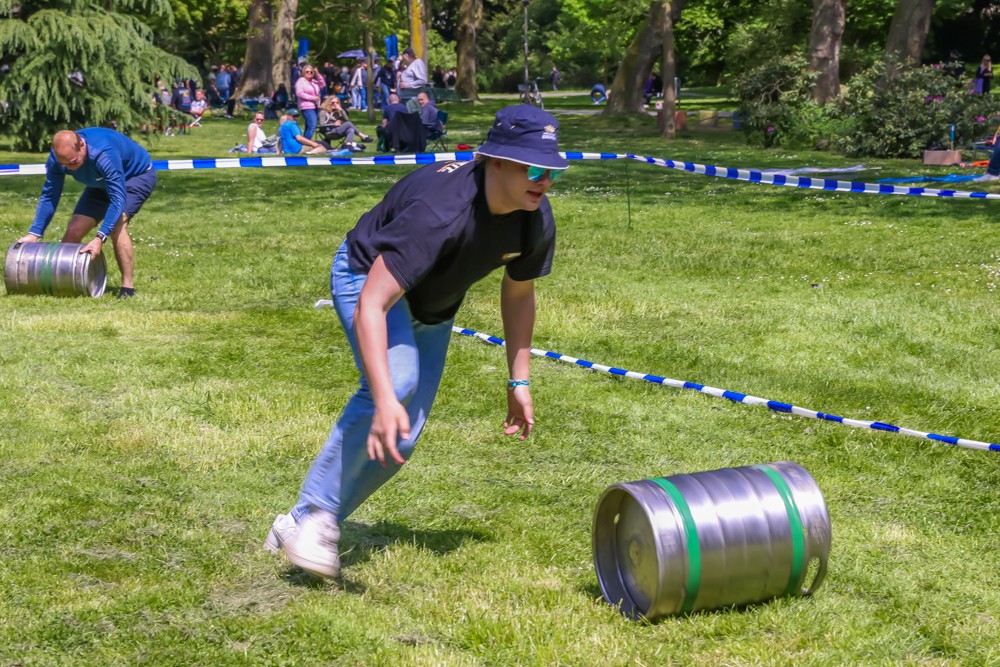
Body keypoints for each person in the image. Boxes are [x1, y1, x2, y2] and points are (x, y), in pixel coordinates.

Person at [263, 105, 569, 579]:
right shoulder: (441, 211)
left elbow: (520, 292)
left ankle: (303, 522)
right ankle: (317, 517)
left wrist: (519, 379)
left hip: (432, 305)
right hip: (366, 278)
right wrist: (384, 397)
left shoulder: (534, 216)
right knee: (396, 387)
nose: (543, 180)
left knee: (402, 436)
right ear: (497, 161)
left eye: (550, 170)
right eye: (533, 167)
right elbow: (371, 305)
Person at [16, 128, 158, 299]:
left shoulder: (104, 153)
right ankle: (64, 284)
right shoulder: (58, 159)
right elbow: (49, 195)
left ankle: (127, 288)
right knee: (74, 230)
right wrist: (34, 233)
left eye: (73, 163)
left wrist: (99, 237)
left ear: (82, 145)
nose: (70, 169)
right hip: (99, 184)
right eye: (65, 165)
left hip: (135, 177)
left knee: (117, 226)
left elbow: (117, 200)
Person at [295, 63, 322, 139]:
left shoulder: (314, 81)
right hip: (306, 107)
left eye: (311, 72)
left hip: (316, 106)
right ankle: (306, 143)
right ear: (303, 73)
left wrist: (317, 73)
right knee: (312, 125)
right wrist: (313, 98)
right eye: (307, 71)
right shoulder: (301, 81)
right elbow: (299, 93)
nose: (309, 73)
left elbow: (322, 84)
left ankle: (304, 142)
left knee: (309, 126)